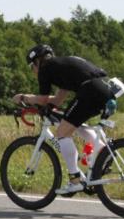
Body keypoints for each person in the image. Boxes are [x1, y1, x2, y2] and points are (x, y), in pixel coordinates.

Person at [11, 45, 114, 194]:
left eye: (31, 66)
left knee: (62, 133)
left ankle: (74, 180)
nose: (33, 71)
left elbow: (43, 99)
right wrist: (47, 106)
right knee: (74, 123)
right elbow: (58, 100)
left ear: (37, 61)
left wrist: (23, 97)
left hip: (90, 90)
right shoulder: (61, 68)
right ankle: (103, 151)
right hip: (106, 87)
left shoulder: (45, 68)